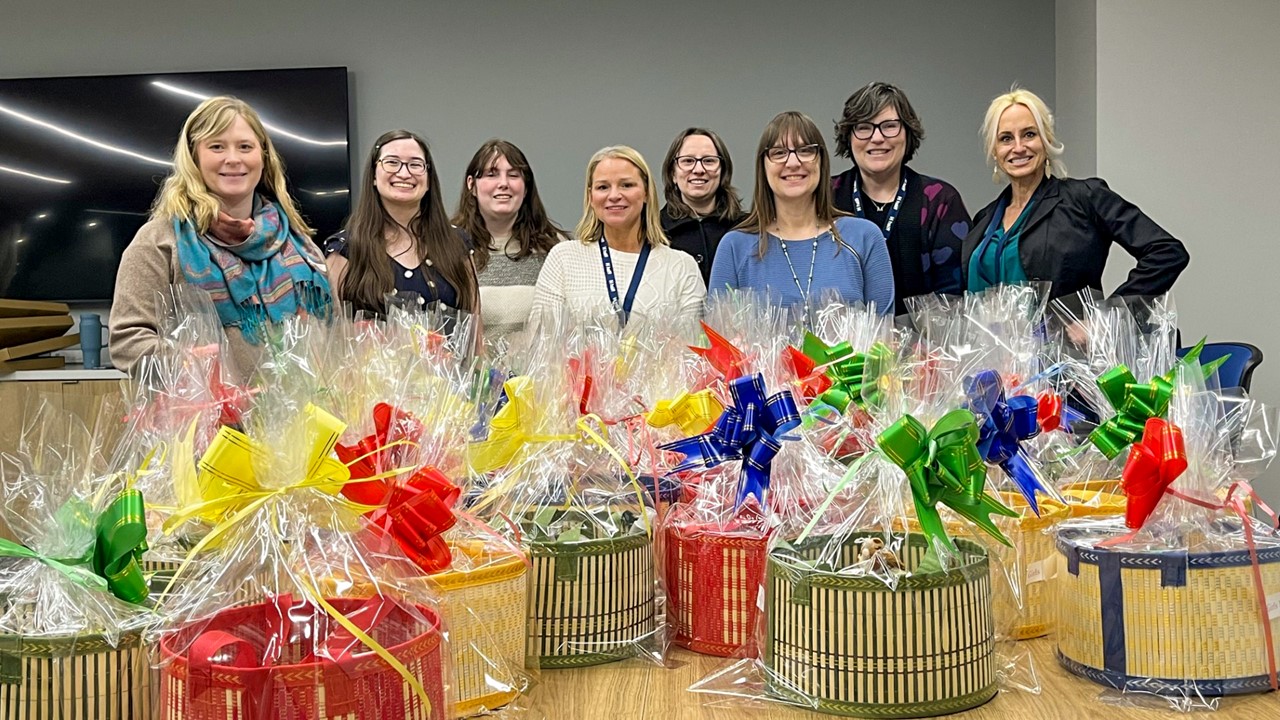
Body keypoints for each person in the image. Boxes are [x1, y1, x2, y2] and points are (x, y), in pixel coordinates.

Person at [110, 95, 331, 376]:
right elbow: (127, 341)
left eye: (245, 147)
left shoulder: (300, 244)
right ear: (194, 157)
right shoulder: (159, 241)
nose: (233, 158)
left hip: (303, 406)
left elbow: (333, 336)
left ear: (263, 157)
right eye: (216, 146)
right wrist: (187, 364)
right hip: (206, 405)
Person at [962, 89, 1189, 311]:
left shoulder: (1085, 198)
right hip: (988, 338)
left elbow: (1167, 252)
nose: (1019, 147)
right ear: (995, 151)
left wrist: (1107, 315)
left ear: (1046, 141)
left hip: (1060, 338)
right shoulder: (984, 220)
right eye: (1006, 138)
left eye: (1029, 134)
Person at [708, 111, 895, 315]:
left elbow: (883, 330)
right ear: (763, 166)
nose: (793, 163)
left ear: (821, 161)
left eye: (805, 150)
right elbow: (718, 331)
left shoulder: (864, 237)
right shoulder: (734, 247)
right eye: (779, 153)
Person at [832, 82, 970, 313]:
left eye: (890, 126)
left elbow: (954, 298)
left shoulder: (940, 202)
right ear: (849, 136)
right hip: (836, 335)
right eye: (864, 127)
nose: (877, 137)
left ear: (907, 133)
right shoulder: (826, 198)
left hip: (924, 335)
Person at [531, 146, 705, 327]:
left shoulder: (682, 267)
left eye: (626, 185)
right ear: (591, 197)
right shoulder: (564, 258)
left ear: (646, 192)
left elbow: (692, 341)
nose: (614, 195)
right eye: (603, 187)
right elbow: (540, 337)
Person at [324, 130, 479, 321]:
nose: (404, 173)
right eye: (392, 162)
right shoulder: (345, 249)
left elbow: (474, 331)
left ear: (428, 180)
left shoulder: (457, 244)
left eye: (415, 164)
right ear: (373, 175)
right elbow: (331, 332)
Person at [452, 139, 568, 338]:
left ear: (526, 187)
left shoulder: (556, 248)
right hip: (468, 360)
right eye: (492, 174)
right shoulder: (450, 246)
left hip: (537, 360)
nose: (503, 184)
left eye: (513, 175)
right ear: (471, 185)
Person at [659, 128, 746, 284]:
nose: (698, 170)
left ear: (723, 172)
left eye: (709, 161)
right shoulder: (654, 231)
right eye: (688, 161)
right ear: (673, 174)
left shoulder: (748, 229)